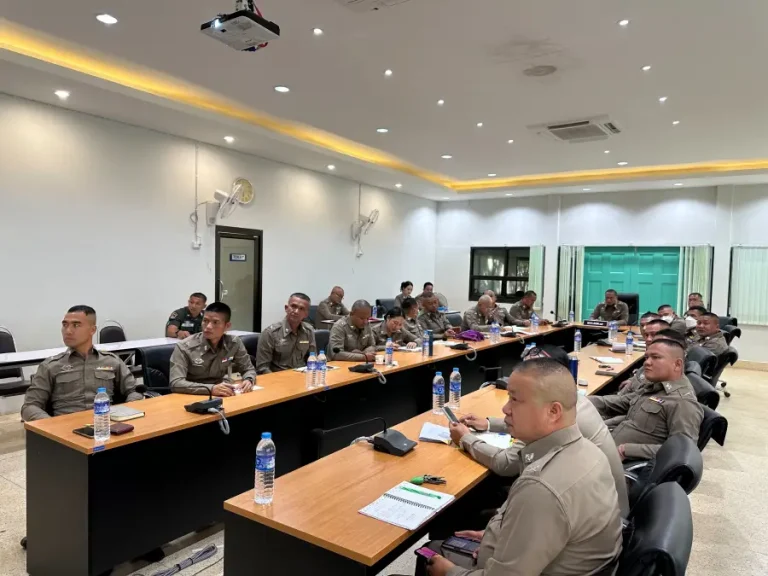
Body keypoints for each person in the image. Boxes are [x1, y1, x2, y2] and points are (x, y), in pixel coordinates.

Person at [422, 359, 622, 576]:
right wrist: (499, 535)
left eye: (515, 400)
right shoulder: (591, 452)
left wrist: (449, 572)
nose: (505, 408)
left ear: (553, 412)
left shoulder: (541, 488)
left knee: (431, 555)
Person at [452, 345, 630, 517]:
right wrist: (489, 424)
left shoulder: (559, 422)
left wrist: (465, 438)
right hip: (593, 511)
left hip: (582, 518)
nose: (505, 408)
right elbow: (531, 421)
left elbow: (505, 463)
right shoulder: (571, 402)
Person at [590, 339, 704, 461]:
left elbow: (682, 451)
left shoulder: (682, 402)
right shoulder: (656, 386)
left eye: (656, 357)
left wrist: (627, 450)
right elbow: (621, 403)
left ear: (677, 364)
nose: (647, 363)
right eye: (646, 357)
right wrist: (583, 401)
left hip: (619, 462)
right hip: (605, 447)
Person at [22, 305, 142, 421]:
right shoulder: (51, 366)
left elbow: (134, 391)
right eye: (65, 325)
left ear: (92, 330)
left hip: (105, 425)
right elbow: (30, 406)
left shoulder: (111, 361)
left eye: (76, 325)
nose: (68, 331)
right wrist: (51, 426)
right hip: (66, 428)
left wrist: (124, 415)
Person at [169, 302, 256, 396]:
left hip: (222, 392)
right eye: (205, 321)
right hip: (192, 395)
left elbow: (248, 369)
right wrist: (211, 389)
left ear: (227, 326)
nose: (208, 326)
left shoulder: (233, 343)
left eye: (215, 322)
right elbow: (176, 383)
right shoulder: (184, 347)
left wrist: (248, 380)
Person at [255, 293, 316, 374]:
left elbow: (312, 358)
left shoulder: (309, 331)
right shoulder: (270, 333)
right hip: (278, 377)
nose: (296, 311)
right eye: (293, 306)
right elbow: (262, 368)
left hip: (302, 376)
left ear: (306, 314)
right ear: (286, 308)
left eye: (301, 309)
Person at [618, 319, 669, 396]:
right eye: (646, 335)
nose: (648, 339)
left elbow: (638, 396)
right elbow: (641, 373)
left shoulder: (667, 360)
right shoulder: (651, 353)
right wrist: (632, 380)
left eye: (654, 334)